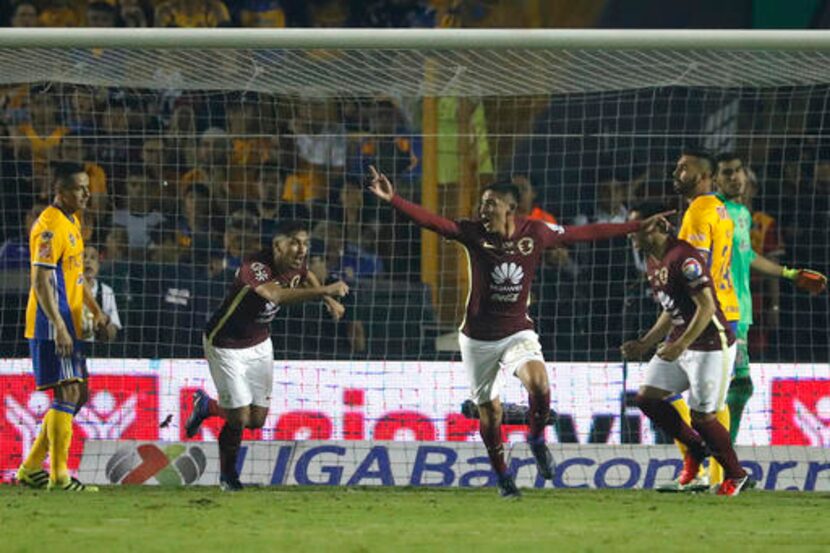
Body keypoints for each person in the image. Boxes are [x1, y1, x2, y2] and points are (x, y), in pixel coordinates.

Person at [366, 165, 667, 498]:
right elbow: (433, 222)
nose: (484, 209)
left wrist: (637, 225)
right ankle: (503, 476)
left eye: (491, 203)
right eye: (483, 203)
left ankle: (536, 439)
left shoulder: (535, 232)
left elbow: (588, 233)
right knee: (490, 412)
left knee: (539, 383)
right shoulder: (472, 231)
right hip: (478, 339)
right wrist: (394, 199)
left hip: (517, 332)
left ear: (511, 208)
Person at [186, 220, 348, 491]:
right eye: (295, 242)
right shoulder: (255, 267)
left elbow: (307, 274)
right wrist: (326, 291)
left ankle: (207, 406)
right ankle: (228, 477)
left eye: (306, 243)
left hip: (260, 343)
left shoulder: (297, 263)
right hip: (225, 343)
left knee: (256, 421)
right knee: (239, 418)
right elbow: (276, 295)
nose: (302, 249)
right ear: (277, 245)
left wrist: (327, 301)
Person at [621, 202, 752, 496]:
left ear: (659, 227)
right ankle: (694, 450)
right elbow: (671, 309)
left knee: (702, 417)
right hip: (680, 341)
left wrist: (679, 345)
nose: (632, 234)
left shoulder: (684, 257)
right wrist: (646, 343)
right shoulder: (653, 262)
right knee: (647, 398)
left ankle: (737, 475)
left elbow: (706, 308)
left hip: (710, 345)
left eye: (638, 228)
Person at [714, 153, 827, 442]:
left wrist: (790, 274)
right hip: (718, 310)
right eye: (728, 172)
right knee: (727, 387)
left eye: (739, 171)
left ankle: (722, 461)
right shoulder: (711, 211)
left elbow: (747, 255)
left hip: (741, 310)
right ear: (714, 179)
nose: (736, 177)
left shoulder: (742, 215)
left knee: (736, 387)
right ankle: (716, 460)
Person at [16, 162, 109, 492]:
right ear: (61, 191)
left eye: (87, 187)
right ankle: (59, 476)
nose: (87, 193)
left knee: (78, 393)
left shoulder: (73, 221)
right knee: (68, 391)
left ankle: (29, 468)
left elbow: (76, 276)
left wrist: (97, 312)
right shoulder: (49, 227)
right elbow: (41, 281)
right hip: (49, 322)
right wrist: (58, 325)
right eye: (79, 188)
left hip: (69, 321)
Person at [665, 148, 740, 490]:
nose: (676, 172)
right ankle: (700, 470)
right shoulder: (719, 208)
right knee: (664, 391)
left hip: (705, 315)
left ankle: (713, 475)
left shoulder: (698, 212)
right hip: (724, 310)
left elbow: (697, 272)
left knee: (701, 402)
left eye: (685, 168)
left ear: (705, 176)